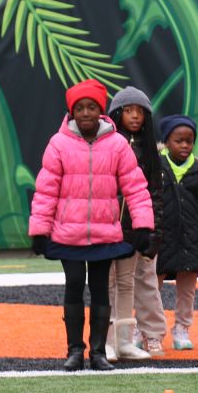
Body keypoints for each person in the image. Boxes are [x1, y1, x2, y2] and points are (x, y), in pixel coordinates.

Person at [29, 79, 155, 371]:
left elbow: (136, 188)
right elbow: (46, 190)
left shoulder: (117, 144)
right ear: (71, 112)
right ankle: (75, 351)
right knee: (73, 287)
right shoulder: (58, 144)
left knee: (100, 290)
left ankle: (98, 352)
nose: (86, 113)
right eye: (80, 108)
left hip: (104, 234)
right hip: (67, 235)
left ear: (101, 111)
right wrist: (39, 230)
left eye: (92, 107)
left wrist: (143, 227)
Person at [105, 86, 164, 360]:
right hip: (110, 229)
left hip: (140, 230)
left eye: (140, 112)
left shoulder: (151, 152)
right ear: (117, 114)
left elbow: (156, 194)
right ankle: (108, 340)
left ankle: (151, 335)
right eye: (128, 111)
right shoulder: (106, 145)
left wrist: (153, 231)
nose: (135, 117)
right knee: (109, 283)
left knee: (144, 281)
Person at [154, 115, 198, 351]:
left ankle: (182, 329)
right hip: (159, 241)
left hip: (191, 242)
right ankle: (149, 330)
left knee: (187, 290)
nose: (185, 145)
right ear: (167, 141)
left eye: (189, 141)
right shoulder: (154, 166)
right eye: (178, 141)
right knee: (152, 288)